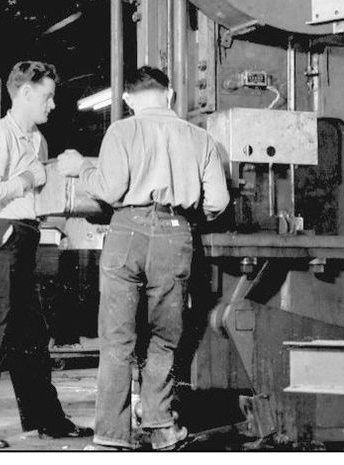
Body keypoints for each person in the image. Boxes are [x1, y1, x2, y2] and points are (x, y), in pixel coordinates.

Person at [60, 67, 229, 452]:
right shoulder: (200, 138)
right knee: (165, 339)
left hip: (126, 232)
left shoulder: (121, 131)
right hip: (176, 233)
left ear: (129, 100)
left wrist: (81, 168)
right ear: (169, 95)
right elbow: (218, 202)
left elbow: (108, 188)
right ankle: (160, 427)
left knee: (117, 340)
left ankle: (110, 437)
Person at [0, 60, 91, 448]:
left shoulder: (38, 141)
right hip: (0, 237)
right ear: (26, 93)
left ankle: (46, 420)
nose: (52, 105)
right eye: (47, 97)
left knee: (32, 334)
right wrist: (26, 180)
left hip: (25, 238)